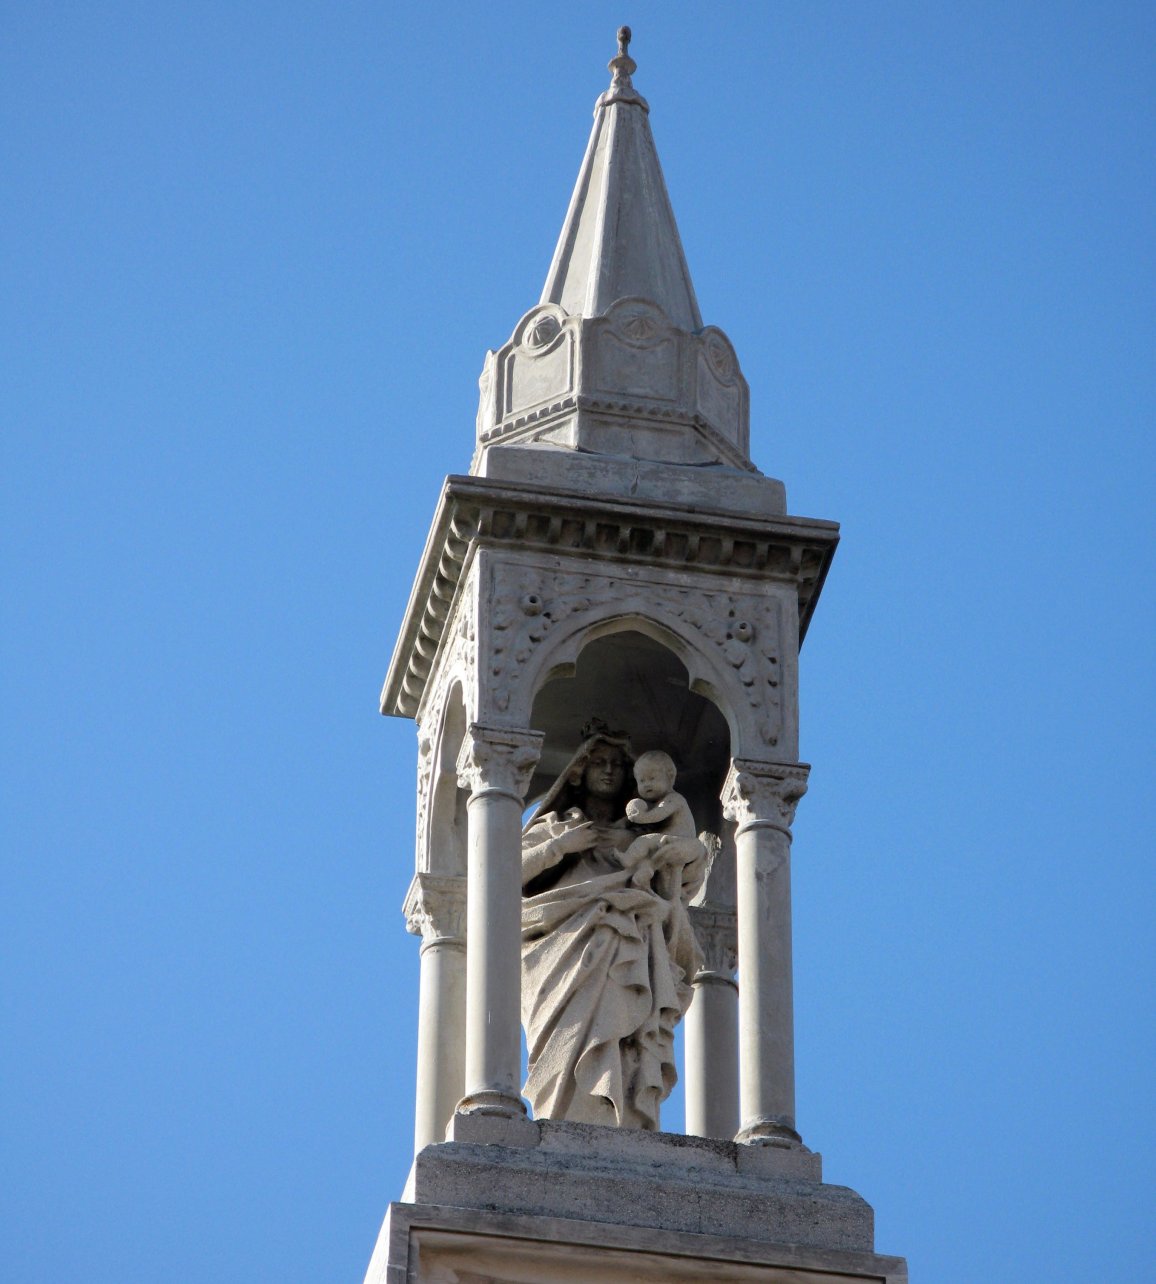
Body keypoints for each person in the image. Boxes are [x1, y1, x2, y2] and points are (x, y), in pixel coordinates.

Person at [520, 725, 705, 1130]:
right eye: (598, 763)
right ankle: (565, 1110)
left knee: (625, 1023)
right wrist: (559, 848)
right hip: (560, 944)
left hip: (626, 933)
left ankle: (622, 1111)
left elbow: (681, 875)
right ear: (579, 771)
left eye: (617, 765)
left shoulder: (640, 831)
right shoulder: (555, 825)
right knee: (565, 1037)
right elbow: (503, 879)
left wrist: (691, 851)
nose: (608, 772)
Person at [621, 750, 707, 901]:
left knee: (644, 841)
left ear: (670, 777)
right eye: (641, 781)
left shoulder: (674, 799)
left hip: (680, 842)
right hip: (669, 842)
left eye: (652, 778)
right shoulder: (657, 801)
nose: (647, 784)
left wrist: (640, 817)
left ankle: (627, 859)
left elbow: (659, 814)